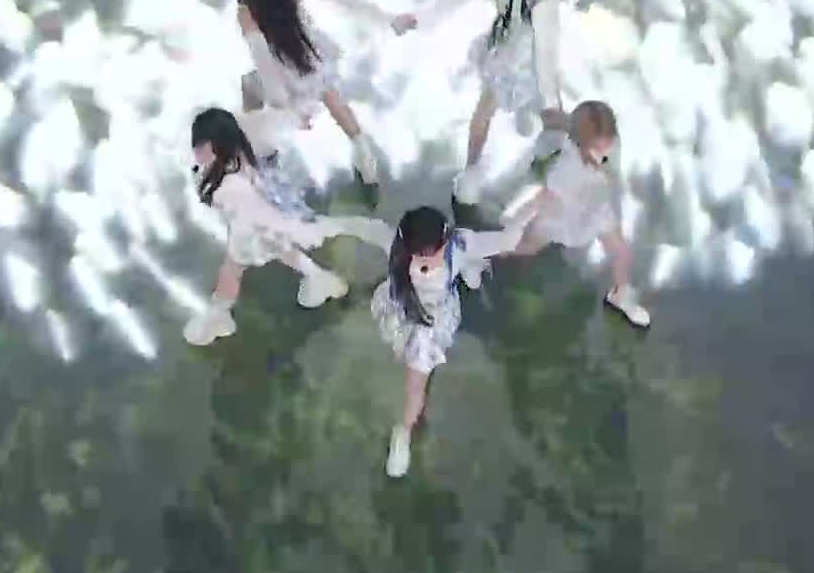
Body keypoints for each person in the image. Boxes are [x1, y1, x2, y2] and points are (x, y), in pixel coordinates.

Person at [392, 0, 582, 206]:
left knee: (545, 116)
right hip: (503, 52)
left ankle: (567, 161)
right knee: (485, 114)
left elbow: (546, 50)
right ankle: (472, 175)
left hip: (525, 58)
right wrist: (418, 18)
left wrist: (550, 100)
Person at [183, 108, 391, 347]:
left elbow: (259, 213)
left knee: (235, 269)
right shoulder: (236, 161)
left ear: (217, 144)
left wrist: (289, 228)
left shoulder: (230, 183)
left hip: (255, 228)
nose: (197, 152)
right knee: (276, 251)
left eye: (201, 146)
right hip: (259, 225)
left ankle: (219, 315)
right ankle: (320, 277)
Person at [369, 205, 527, 478]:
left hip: (429, 325)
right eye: (418, 254)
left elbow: (507, 240)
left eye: (432, 253)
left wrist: (533, 206)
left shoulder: (460, 244)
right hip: (402, 311)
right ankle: (471, 269)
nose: (426, 262)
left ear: (445, 241)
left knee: (416, 385)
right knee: (404, 357)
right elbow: (357, 226)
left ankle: (403, 432)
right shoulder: (393, 244)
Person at [236, 0, 396, 186]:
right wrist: (388, 19)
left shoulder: (248, 12)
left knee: (249, 85)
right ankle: (365, 157)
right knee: (329, 92)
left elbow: (265, 65)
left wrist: (287, 111)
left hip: (285, 73)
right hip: (309, 54)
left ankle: (263, 157)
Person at [490, 100, 652, 328]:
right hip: (562, 213)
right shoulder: (567, 168)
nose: (607, 150)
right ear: (583, 144)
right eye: (599, 147)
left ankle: (619, 295)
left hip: (595, 207)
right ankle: (489, 250)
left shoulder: (606, 144)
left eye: (610, 141)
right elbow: (542, 199)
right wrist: (516, 223)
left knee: (622, 251)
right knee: (527, 247)